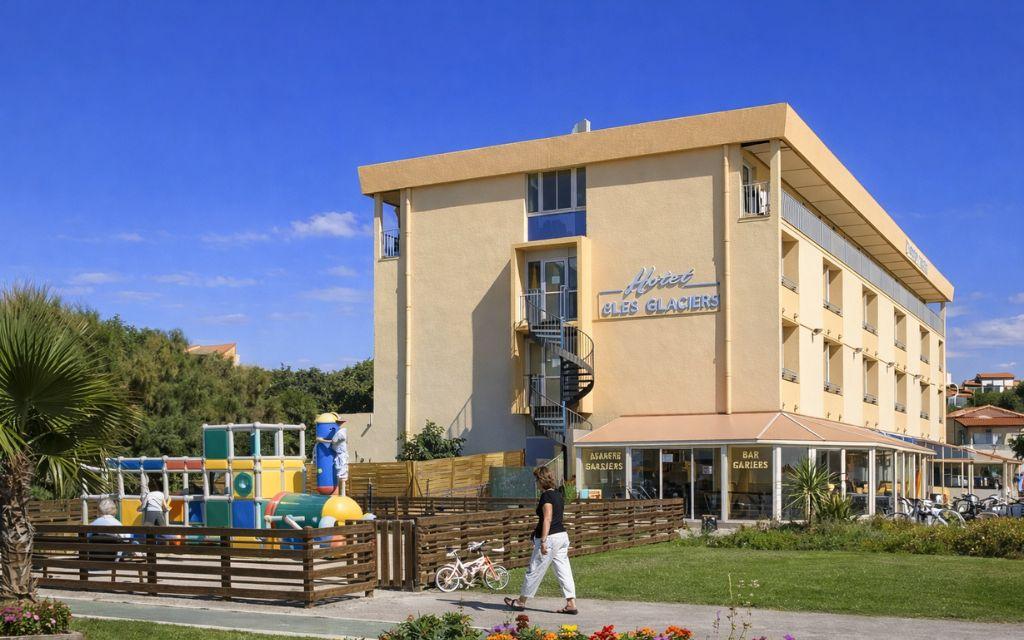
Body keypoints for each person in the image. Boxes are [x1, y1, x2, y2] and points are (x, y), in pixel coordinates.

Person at [504, 466, 578, 615]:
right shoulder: (558, 495)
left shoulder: (546, 496)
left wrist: (543, 541)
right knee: (564, 570)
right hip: (562, 537)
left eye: (537, 479)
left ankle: (520, 602)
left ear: (541, 480)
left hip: (550, 539)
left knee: (534, 569)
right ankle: (571, 604)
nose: (536, 483)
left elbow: (548, 518)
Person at [316, 417, 349, 496]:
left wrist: (321, 440)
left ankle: (342, 494)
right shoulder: (340, 432)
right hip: (339, 455)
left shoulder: (340, 433)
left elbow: (333, 441)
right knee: (340, 473)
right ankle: (342, 493)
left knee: (341, 474)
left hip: (341, 455)